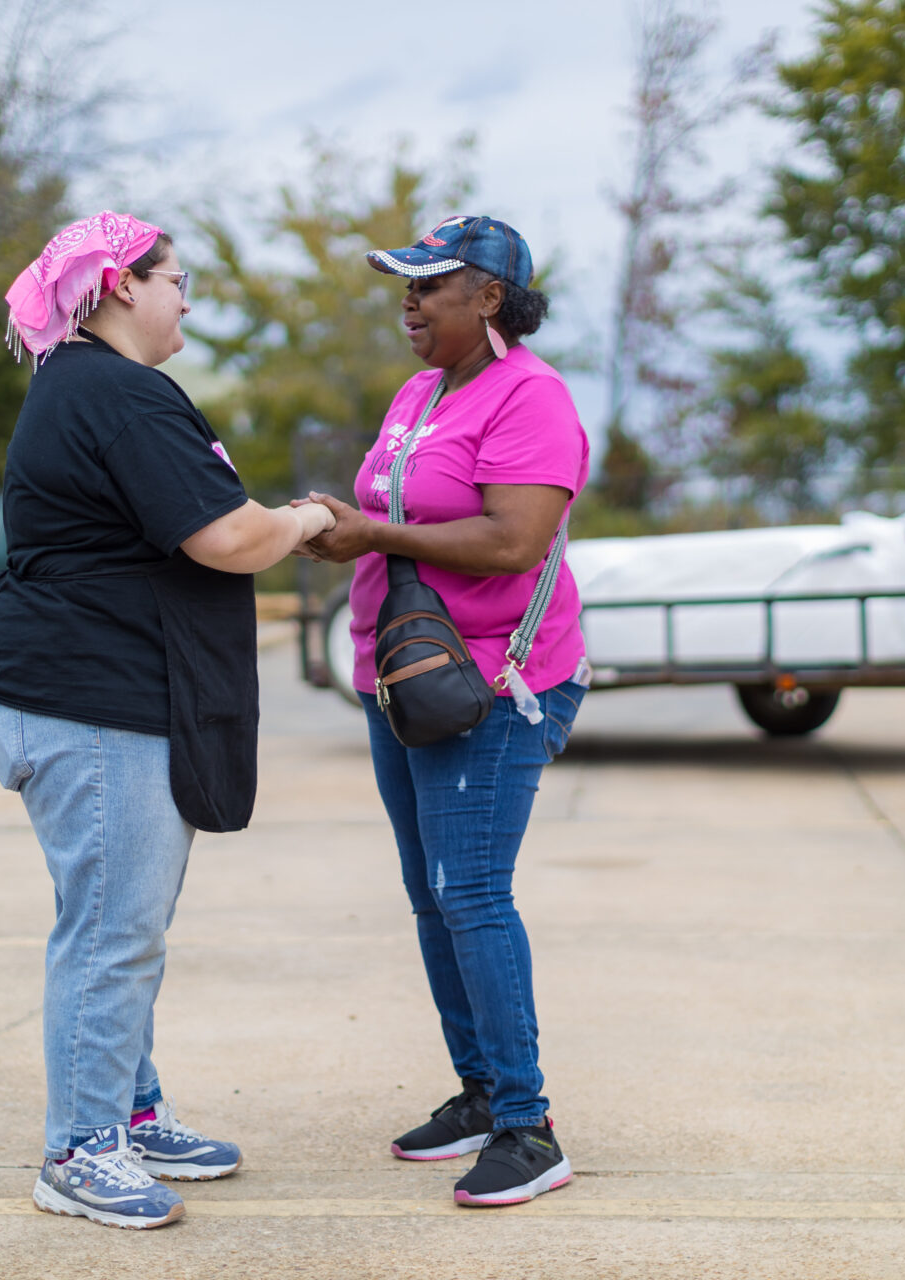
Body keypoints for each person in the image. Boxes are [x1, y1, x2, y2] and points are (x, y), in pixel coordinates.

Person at [0, 210, 334, 1230]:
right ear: (122, 283)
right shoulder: (119, 393)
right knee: (113, 929)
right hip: (89, 699)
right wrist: (305, 520)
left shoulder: (82, 387)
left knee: (120, 920)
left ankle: (125, 1107)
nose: (188, 299)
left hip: (78, 691)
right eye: (176, 279)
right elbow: (227, 535)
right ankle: (79, 1149)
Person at [299, 215, 590, 1207]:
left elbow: (514, 542)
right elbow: (399, 510)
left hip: (496, 684)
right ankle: (477, 1090)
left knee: (471, 890)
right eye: (405, 284)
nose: (409, 302)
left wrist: (368, 529)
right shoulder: (422, 390)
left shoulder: (533, 397)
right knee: (432, 892)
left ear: (490, 298)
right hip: (407, 677)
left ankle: (527, 1123)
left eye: (429, 285)